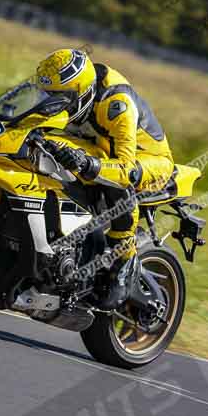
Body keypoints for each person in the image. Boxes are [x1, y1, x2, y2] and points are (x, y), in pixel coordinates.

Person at [36, 48, 175, 309]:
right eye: (47, 94)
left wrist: (87, 163)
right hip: (100, 147)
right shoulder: (71, 87)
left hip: (147, 159)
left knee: (116, 180)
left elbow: (123, 168)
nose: (51, 102)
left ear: (80, 94)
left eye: (59, 97)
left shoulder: (116, 105)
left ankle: (124, 264)